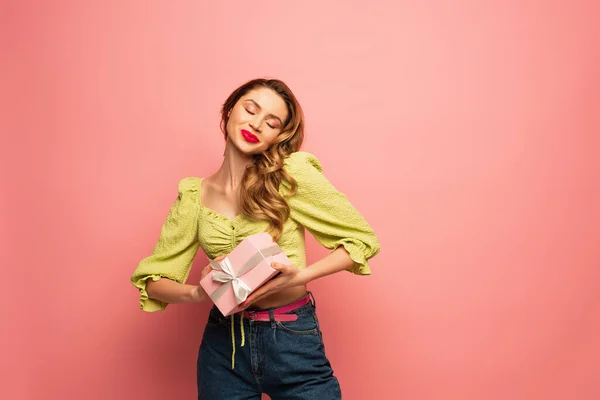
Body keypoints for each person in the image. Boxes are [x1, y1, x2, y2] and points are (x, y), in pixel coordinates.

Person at [130, 78, 381, 400]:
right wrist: (198, 292)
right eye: (250, 109)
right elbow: (153, 279)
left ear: (279, 135)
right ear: (230, 109)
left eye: (271, 122)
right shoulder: (194, 195)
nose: (257, 124)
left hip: (291, 336)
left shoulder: (291, 175)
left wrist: (300, 275)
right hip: (223, 347)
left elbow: (361, 241)